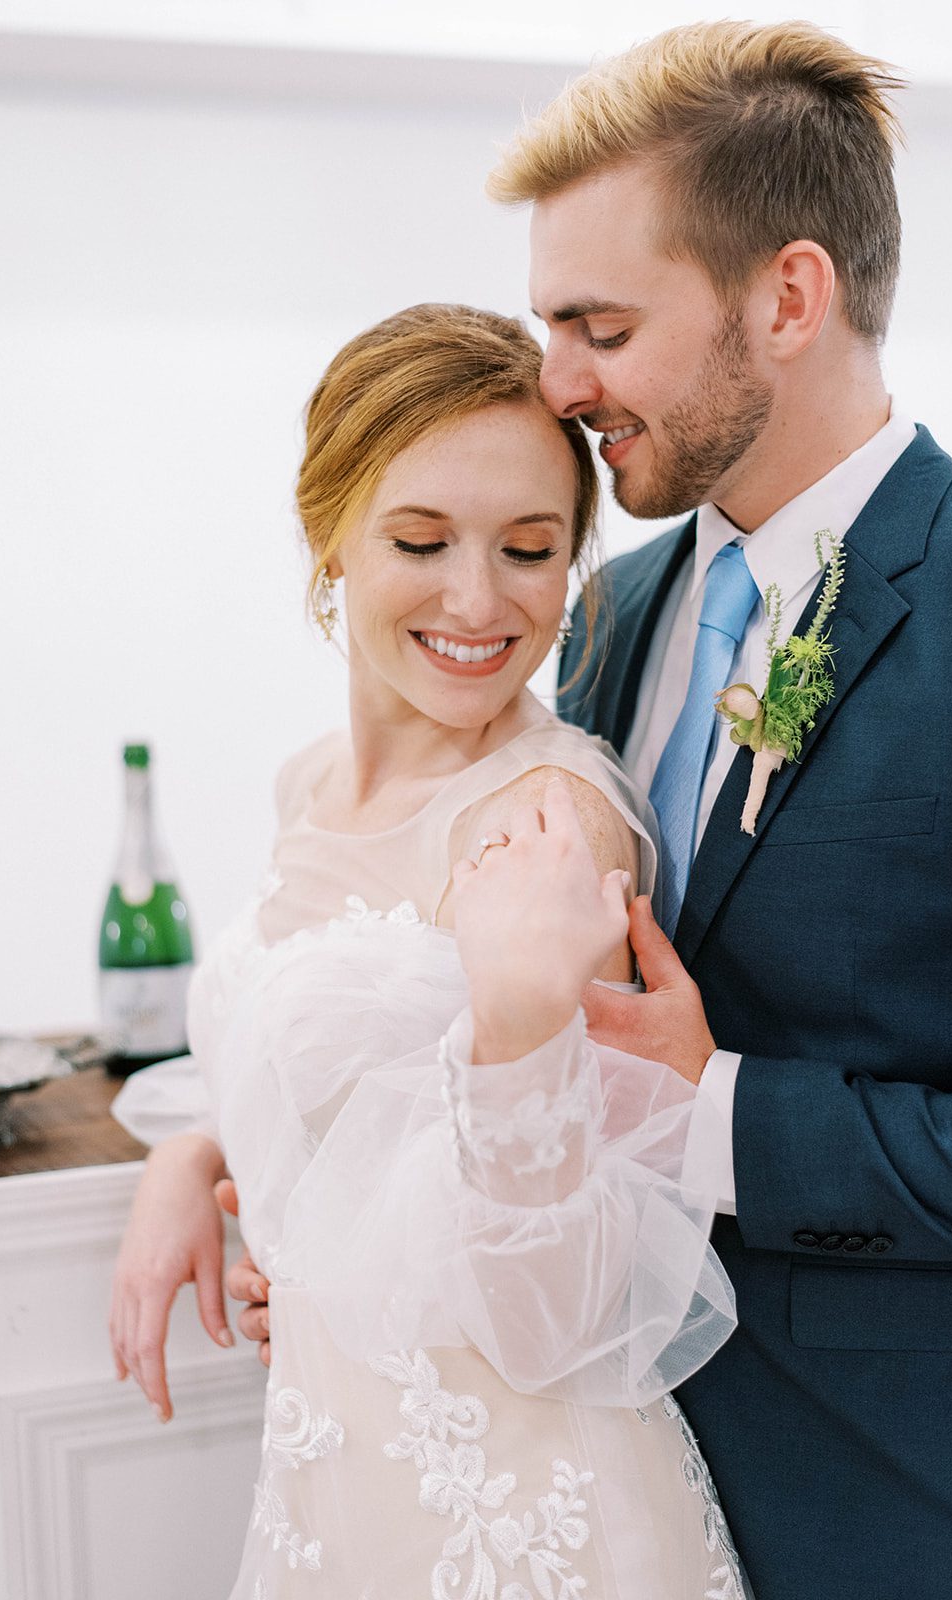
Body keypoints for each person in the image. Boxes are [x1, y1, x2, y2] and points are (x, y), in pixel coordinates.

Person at [111, 303, 749, 1599]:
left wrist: (519, 1028)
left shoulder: (549, 823)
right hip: (337, 1492)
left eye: (530, 549)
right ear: (329, 531)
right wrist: (196, 1149)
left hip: (520, 1517)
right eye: (421, 539)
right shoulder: (308, 787)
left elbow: (565, 1312)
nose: (479, 600)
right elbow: (336, 1070)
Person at [481, 18, 952, 1600]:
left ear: (788, 296)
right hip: (610, 1486)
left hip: (903, 1510)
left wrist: (718, 1122)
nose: (557, 384)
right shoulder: (605, 612)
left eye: (601, 324)